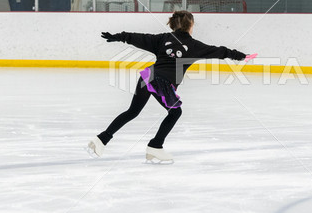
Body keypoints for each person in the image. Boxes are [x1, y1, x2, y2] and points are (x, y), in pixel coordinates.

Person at [88, 11, 257, 163]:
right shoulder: (194, 46)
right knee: (175, 111)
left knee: (133, 111)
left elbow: (138, 37)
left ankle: (101, 139)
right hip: (161, 81)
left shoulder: (162, 39)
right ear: (190, 26)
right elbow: (220, 51)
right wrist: (242, 57)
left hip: (147, 76)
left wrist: (118, 36)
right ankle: (155, 146)